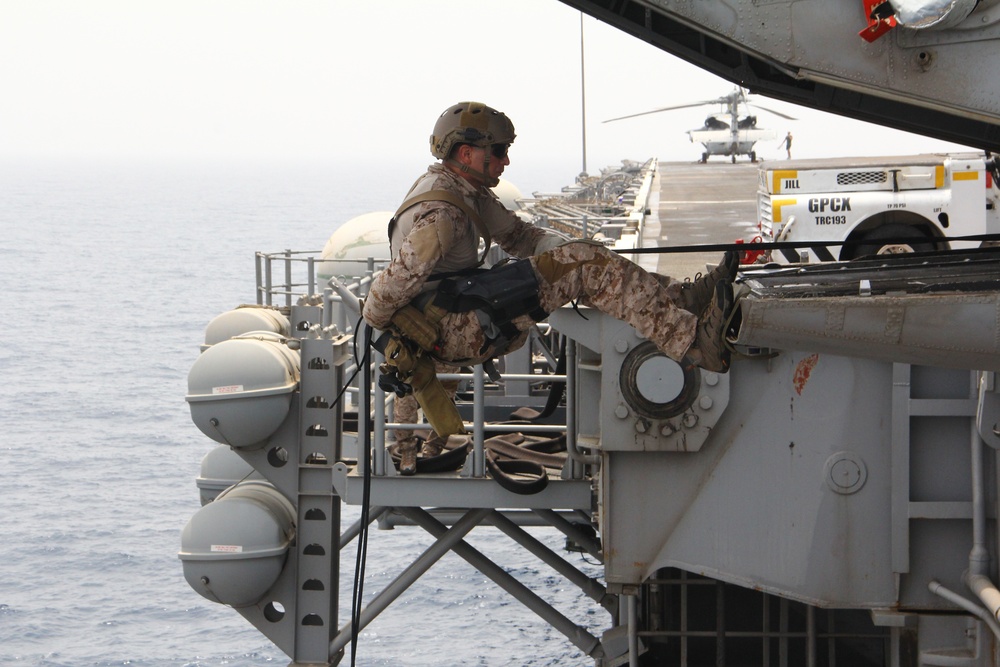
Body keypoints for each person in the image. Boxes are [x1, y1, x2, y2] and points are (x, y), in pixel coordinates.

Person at [363, 101, 736, 475]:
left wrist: (578, 250)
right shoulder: (442, 214)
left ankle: (683, 300)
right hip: (456, 328)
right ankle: (693, 343)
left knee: (586, 262)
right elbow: (385, 294)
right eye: (499, 151)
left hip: (460, 310)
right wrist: (409, 335)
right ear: (466, 153)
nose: (505, 161)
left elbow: (520, 236)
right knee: (585, 268)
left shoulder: (465, 191)